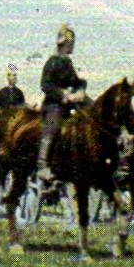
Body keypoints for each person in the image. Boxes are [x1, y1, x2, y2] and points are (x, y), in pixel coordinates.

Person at [38, 23, 88, 179]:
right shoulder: (52, 62)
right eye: (70, 44)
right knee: (53, 124)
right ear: (64, 45)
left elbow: (76, 81)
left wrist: (80, 89)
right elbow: (45, 85)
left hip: (70, 103)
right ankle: (42, 162)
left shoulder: (68, 63)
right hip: (54, 104)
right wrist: (63, 94)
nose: (72, 46)